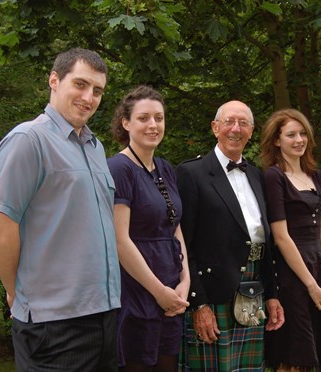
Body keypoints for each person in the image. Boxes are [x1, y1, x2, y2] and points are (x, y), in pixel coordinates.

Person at [0, 48, 121, 371]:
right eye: (80, 84)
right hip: (54, 325)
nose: (89, 97)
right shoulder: (27, 141)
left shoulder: (95, 147)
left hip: (104, 315)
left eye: (97, 91)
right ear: (54, 81)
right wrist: (14, 292)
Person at [176, 100, 284, 371]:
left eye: (243, 123)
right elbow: (182, 246)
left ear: (251, 130)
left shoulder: (256, 175)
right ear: (215, 128)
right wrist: (197, 303)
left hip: (252, 289)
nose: (236, 129)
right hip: (213, 293)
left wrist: (271, 294)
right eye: (229, 122)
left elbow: (264, 242)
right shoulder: (192, 173)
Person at [107, 85, 190, 371]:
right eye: (143, 118)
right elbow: (120, 241)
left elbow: (175, 227)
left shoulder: (165, 168)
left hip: (172, 288)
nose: (153, 125)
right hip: (138, 291)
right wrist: (158, 292)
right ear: (126, 123)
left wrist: (184, 281)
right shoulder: (119, 169)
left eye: (159, 117)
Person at [260, 108, 321, 371]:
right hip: (292, 274)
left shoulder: (318, 177)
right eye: (291, 134)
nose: (299, 140)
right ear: (276, 140)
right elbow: (281, 238)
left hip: (319, 267)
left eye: (303, 133)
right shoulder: (274, 177)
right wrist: (311, 285)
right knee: (295, 355)